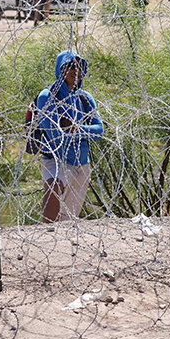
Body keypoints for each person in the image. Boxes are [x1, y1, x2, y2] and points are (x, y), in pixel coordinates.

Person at [36, 51, 104, 222]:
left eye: (80, 67)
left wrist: (75, 129)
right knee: (54, 190)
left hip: (81, 165)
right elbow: (55, 137)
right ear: (60, 69)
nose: (76, 70)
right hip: (57, 160)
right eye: (70, 66)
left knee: (68, 219)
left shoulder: (84, 98)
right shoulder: (47, 96)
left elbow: (100, 131)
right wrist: (80, 132)